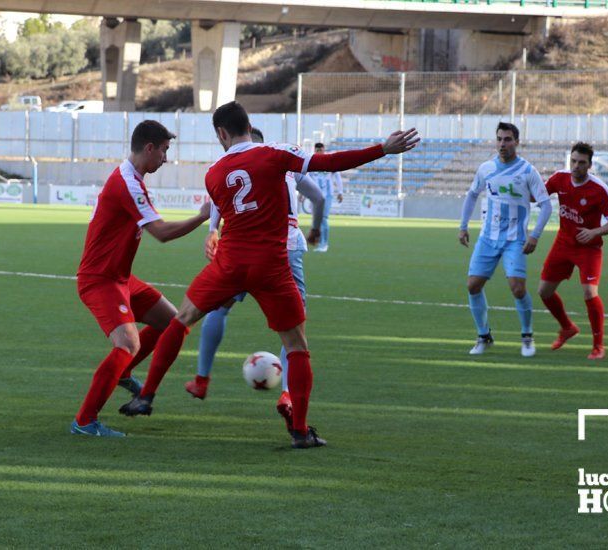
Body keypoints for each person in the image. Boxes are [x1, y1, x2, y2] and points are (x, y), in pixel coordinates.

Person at [119, 101, 420, 449]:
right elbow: (328, 162)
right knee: (296, 345)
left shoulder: (214, 172)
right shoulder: (276, 154)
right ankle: (300, 431)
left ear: (221, 133)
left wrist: (213, 231)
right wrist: (382, 149)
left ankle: (148, 395)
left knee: (182, 319)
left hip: (229, 264)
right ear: (249, 125)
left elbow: (221, 211)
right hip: (272, 266)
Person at [71, 120, 210, 438]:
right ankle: (84, 421)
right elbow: (160, 233)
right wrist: (202, 217)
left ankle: (124, 372)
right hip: (100, 279)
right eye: (164, 150)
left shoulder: (132, 178)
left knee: (174, 322)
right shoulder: (127, 183)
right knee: (128, 343)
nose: (166, 158)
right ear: (149, 148)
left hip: (120, 278)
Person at [184, 127, 327, 432]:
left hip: (241, 251)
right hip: (285, 249)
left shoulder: (232, 168)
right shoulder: (283, 164)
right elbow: (319, 197)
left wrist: (213, 229)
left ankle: (201, 379)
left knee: (217, 310)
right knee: (294, 333)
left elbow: (220, 203)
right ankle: (288, 396)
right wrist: (315, 228)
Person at [458, 122, 552, 357]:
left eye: (507, 139)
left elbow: (546, 205)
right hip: (487, 238)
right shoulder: (485, 168)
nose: (502, 143)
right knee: (472, 285)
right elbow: (471, 195)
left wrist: (535, 236)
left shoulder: (527, 171)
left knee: (518, 289)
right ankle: (483, 335)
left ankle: (527, 336)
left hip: (515, 239)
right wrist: (463, 226)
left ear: (517, 142)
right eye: (499, 139)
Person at [538, 142, 608, 360]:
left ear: (590, 165)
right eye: (573, 161)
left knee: (589, 292)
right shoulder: (559, 178)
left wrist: (594, 232)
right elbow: (538, 196)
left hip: (589, 248)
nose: (576, 166)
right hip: (563, 243)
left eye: (581, 163)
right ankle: (567, 328)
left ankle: (598, 346)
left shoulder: (599, 189)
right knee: (544, 291)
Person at [311, 142, 343, 252]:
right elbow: (307, 179)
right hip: (316, 195)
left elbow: (337, 177)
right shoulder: (312, 163)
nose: (319, 152)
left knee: (323, 218)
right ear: (315, 151)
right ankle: (320, 243)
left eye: (321, 150)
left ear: (324, 150)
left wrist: (340, 192)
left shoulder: (329, 162)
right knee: (317, 220)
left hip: (327, 195)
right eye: (317, 151)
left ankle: (324, 244)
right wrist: (302, 194)